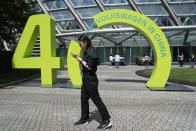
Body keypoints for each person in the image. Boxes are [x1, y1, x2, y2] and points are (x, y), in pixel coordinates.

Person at [71, 35, 112, 130]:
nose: (79, 45)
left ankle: (107, 121)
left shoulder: (91, 53)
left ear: (85, 42)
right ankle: (84, 119)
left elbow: (89, 67)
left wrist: (80, 60)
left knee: (97, 100)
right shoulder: (86, 52)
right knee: (83, 99)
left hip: (90, 80)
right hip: (86, 79)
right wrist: (78, 58)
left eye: (80, 43)